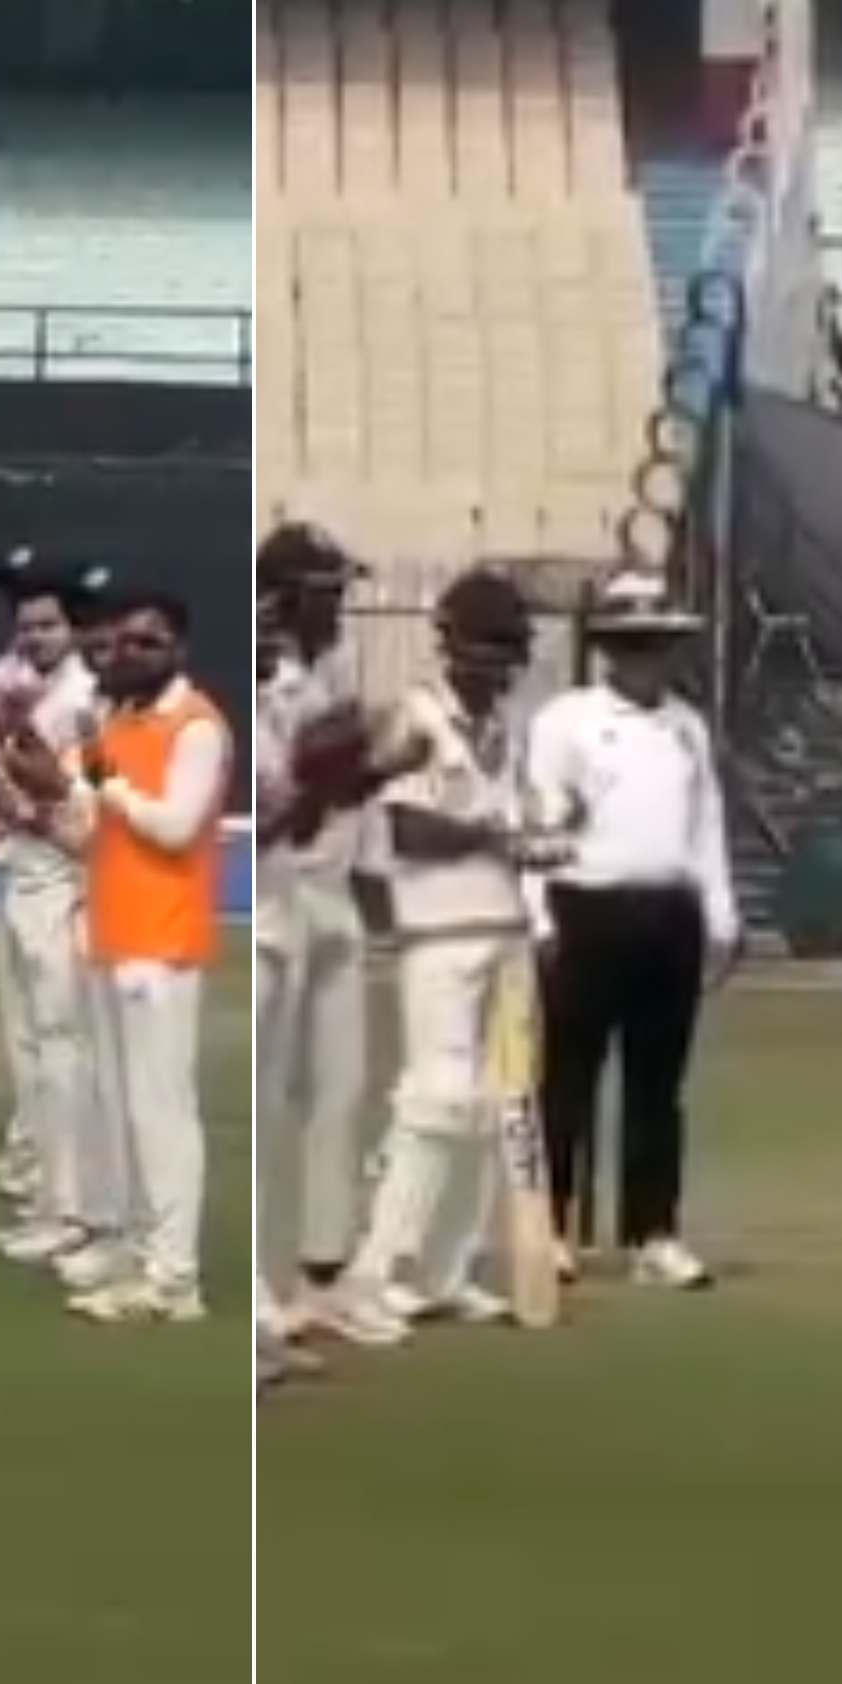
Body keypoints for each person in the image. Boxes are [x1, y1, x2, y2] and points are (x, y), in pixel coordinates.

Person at [312, 570, 550, 1347]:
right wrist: (496, 837)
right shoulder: (415, 718)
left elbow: (509, 828)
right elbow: (410, 834)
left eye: (504, 654)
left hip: (503, 927)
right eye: (478, 651)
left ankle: (442, 1275)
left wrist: (531, 851)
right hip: (437, 934)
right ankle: (370, 1275)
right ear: (447, 643)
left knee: (493, 1107)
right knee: (434, 1100)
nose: (491, 668)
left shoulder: (504, 727)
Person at [8, 588, 228, 1324]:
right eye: (123, 643)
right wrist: (45, 792)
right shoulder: (118, 724)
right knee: (124, 1109)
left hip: (162, 943)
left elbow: (172, 827)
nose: (129, 655)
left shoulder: (197, 727)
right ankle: (138, 1249)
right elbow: (93, 829)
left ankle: (176, 1276)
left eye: (148, 643)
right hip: (112, 932)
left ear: (179, 650)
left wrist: (80, 780)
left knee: (162, 1110)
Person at [522, 567, 741, 1290]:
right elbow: (538, 822)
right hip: (586, 908)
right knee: (567, 1078)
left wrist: (720, 912)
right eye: (631, 642)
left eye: (656, 642)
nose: (645, 656)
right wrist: (537, 912)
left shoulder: (687, 726)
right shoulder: (565, 721)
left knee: (657, 1084)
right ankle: (549, 1228)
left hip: (668, 913)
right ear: (610, 647)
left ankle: (654, 1231)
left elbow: (705, 823)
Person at [0, 561, 115, 1273]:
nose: (36, 638)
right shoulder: (34, 690)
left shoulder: (83, 698)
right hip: (26, 876)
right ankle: (55, 1198)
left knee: (63, 1045)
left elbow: (75, 807)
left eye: (49, 625)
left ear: (76, 628)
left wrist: (14, 795)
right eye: (26, 627)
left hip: (59, 881)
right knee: (44, 1043)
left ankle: (75, 1209)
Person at [252, 523, 374, 1299]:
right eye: (330, 593)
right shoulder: (264, 674)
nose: (342, 608)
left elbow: (352, 779)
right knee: (272, 1095)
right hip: (283, 892)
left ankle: (328, 1266)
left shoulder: (343, 661)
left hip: (339, 891)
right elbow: (283, 800)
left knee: (343, 1082)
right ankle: (268, 1280)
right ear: (288, 596)